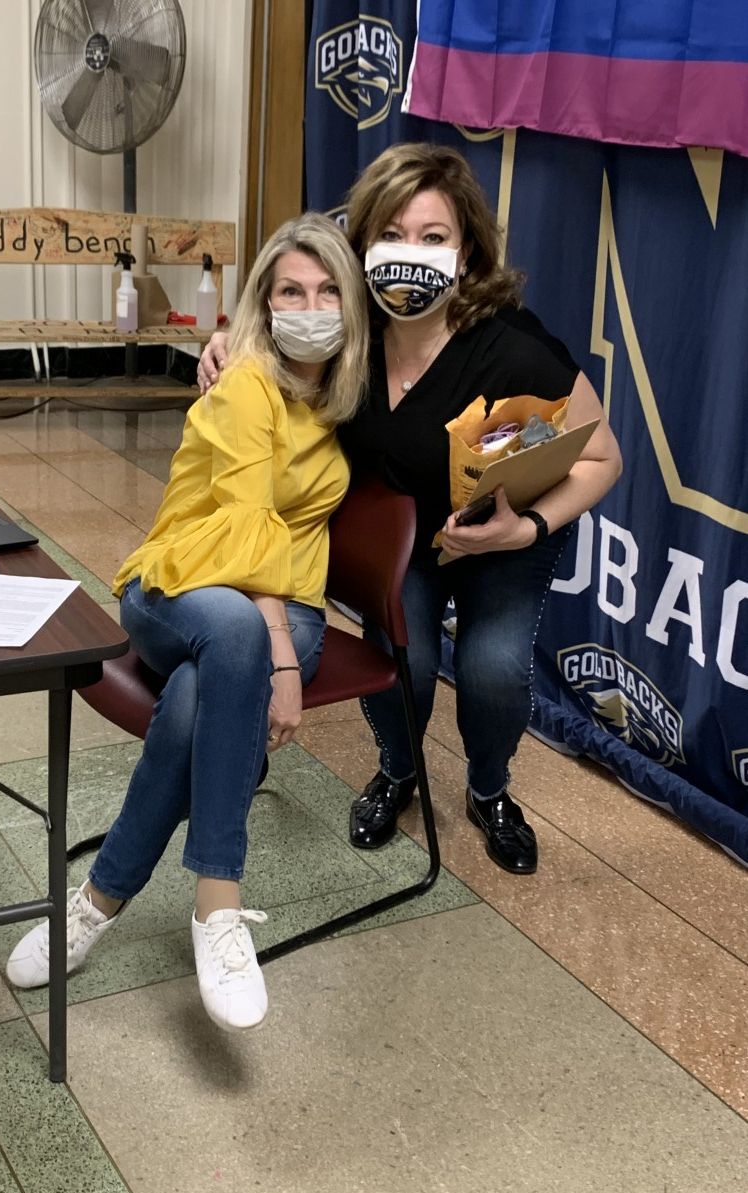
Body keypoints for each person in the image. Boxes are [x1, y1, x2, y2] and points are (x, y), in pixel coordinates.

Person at [197, 142, 622, 876]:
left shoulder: (514, 348)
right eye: (391, 234)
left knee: (492, 670)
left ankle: (490, 789)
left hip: (504, 530)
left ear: (468, 254)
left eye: (433, 238)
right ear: (361, 244)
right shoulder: (346, 329)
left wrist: (525, 527)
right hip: (405, 539)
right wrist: (227, 340)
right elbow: (275, 324)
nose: (409, 254)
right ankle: (398, 770)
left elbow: (602, 457)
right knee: (407, 663)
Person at [5, 212, 369, 1031]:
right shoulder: (245, 382)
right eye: (288, 292)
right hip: (184, 580)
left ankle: (98, 901)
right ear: (262, 305)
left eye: (324, 292)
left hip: (293, 602)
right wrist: (281, 661)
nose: (308, 307)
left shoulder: (343, 400)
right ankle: (218, 905)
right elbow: (240, 536)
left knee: (201, 696)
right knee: (235, 638)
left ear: (350, 307)